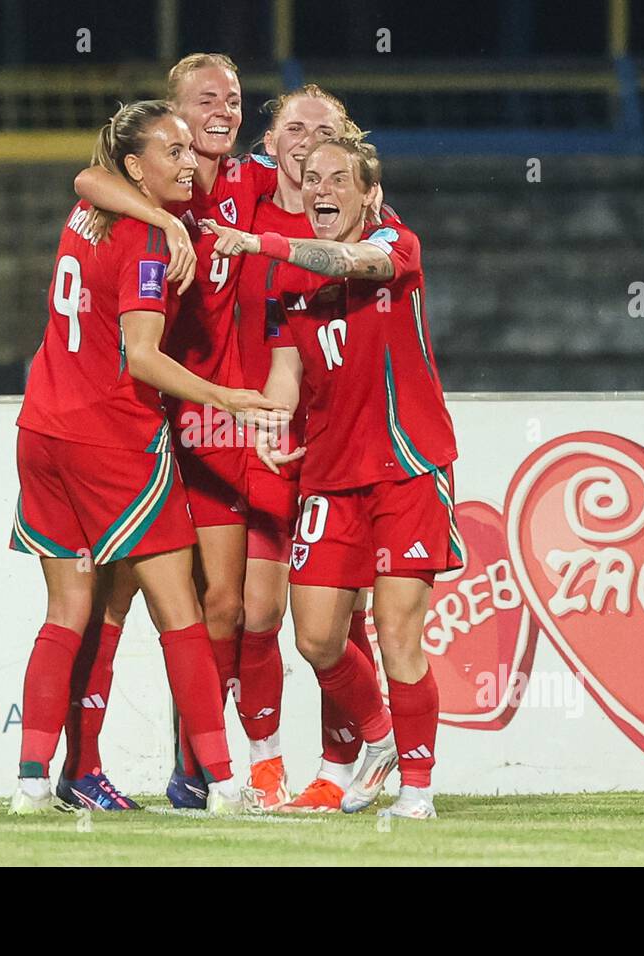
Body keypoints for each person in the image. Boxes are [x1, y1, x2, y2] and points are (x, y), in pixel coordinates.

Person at [8, 99, 286, 816]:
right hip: (112, 440)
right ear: (137, 166)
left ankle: (33, 784)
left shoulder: (94, 212)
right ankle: (223, 784)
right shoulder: (144, 239)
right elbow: (141, 357)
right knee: (181, 612)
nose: (190, 162)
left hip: (43, 430)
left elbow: (86, 179)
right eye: (174, 150)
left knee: (68, 608)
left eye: (191, 150)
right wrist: (225, 396)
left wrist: (163, 215)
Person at [203, 136, 462, 820]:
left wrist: (261, 243)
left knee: (398, 632)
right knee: (316, 638)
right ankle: (377, 738)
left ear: (368, 193)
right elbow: (287, 372)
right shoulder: (290, 282)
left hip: (407, 467)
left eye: (339, 178)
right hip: (331, 474)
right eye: (312, 177)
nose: (323, 188)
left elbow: (357, 260)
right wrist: (267, 417)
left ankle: (418, 790)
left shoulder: (395, 243)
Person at [232, 86, 390, 812]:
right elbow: (279, 354)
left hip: (344, 454)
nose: (305, 140)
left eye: (322, 130)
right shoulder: (239, 209)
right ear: (271, 139)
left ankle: (338, 769)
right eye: (292, 125)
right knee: (258, 612)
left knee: (337, 624)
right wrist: (264, 413)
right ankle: (265, 763)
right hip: (270, 436)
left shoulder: (375, 231)